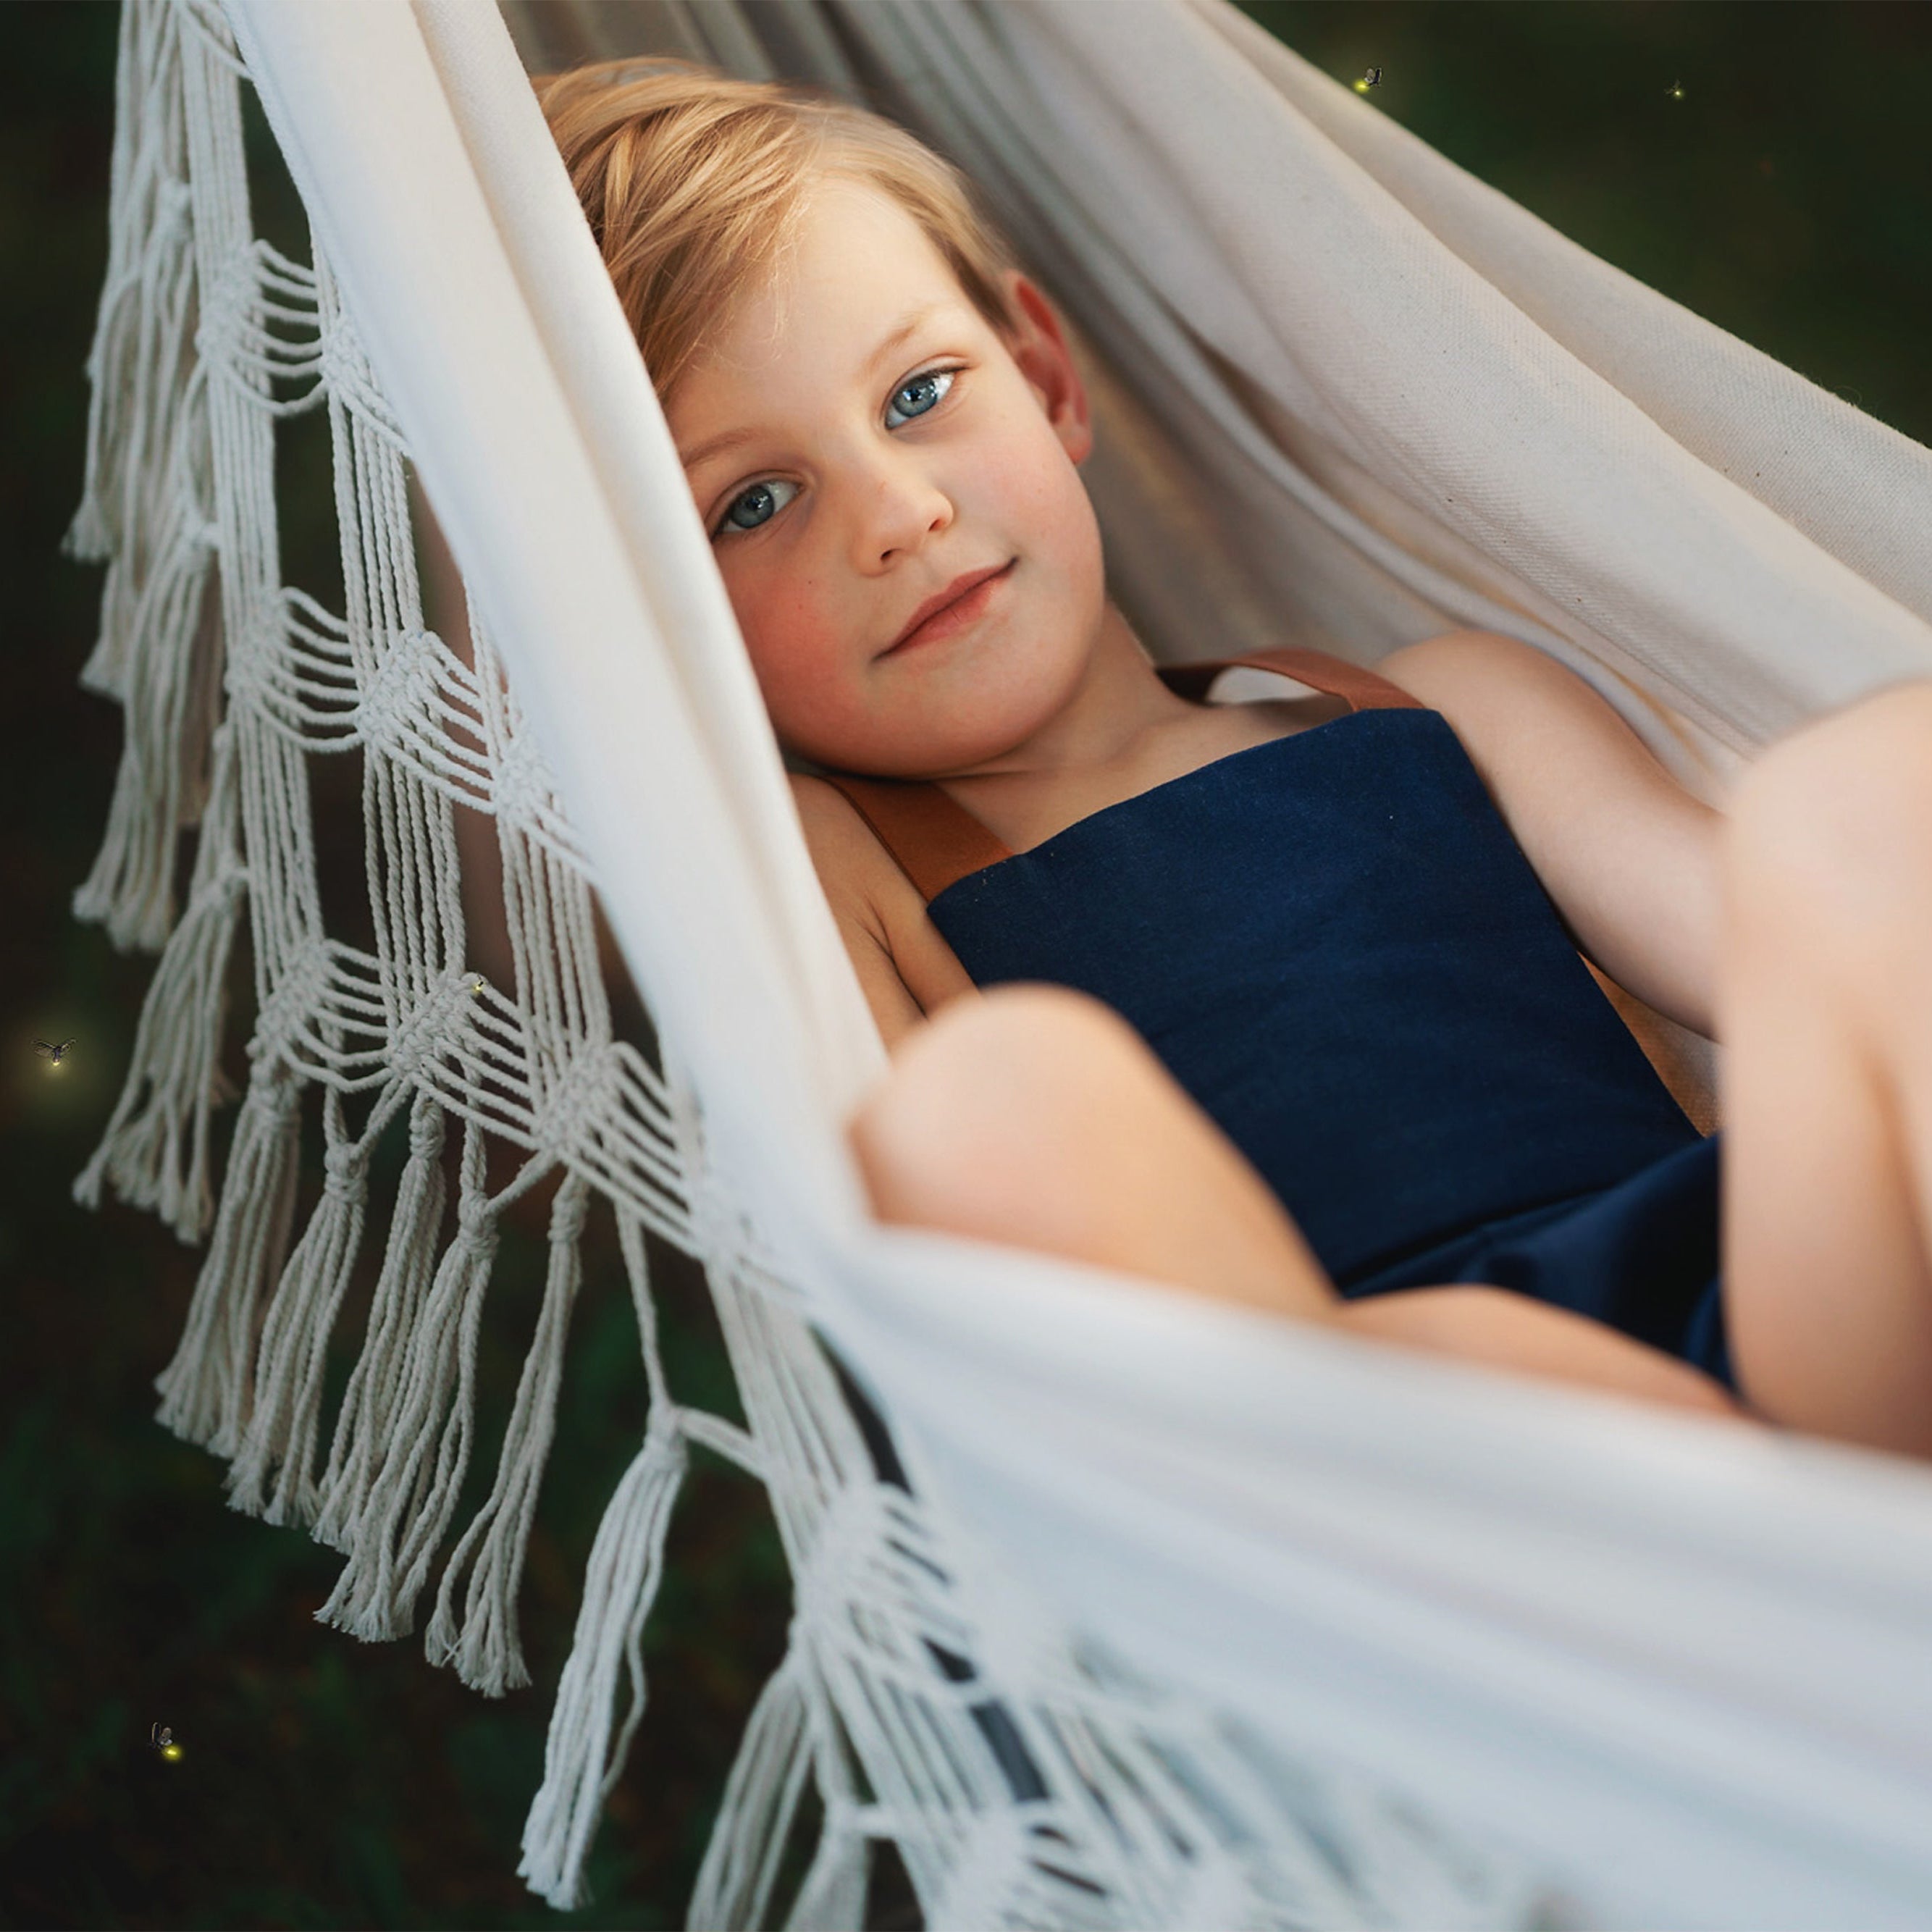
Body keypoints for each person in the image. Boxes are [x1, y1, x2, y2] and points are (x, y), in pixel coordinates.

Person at [539, 60, 1932, 1460]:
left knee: (1851, 807)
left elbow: (1791, 962)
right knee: (987, 1097)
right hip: (1349, 1495)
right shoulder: (830, 867)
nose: (901, 514)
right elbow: (941, 1279)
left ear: (1044, 379)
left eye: (919, 394)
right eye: (754, 503)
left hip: (1762, 1363)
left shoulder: (1426, 710)